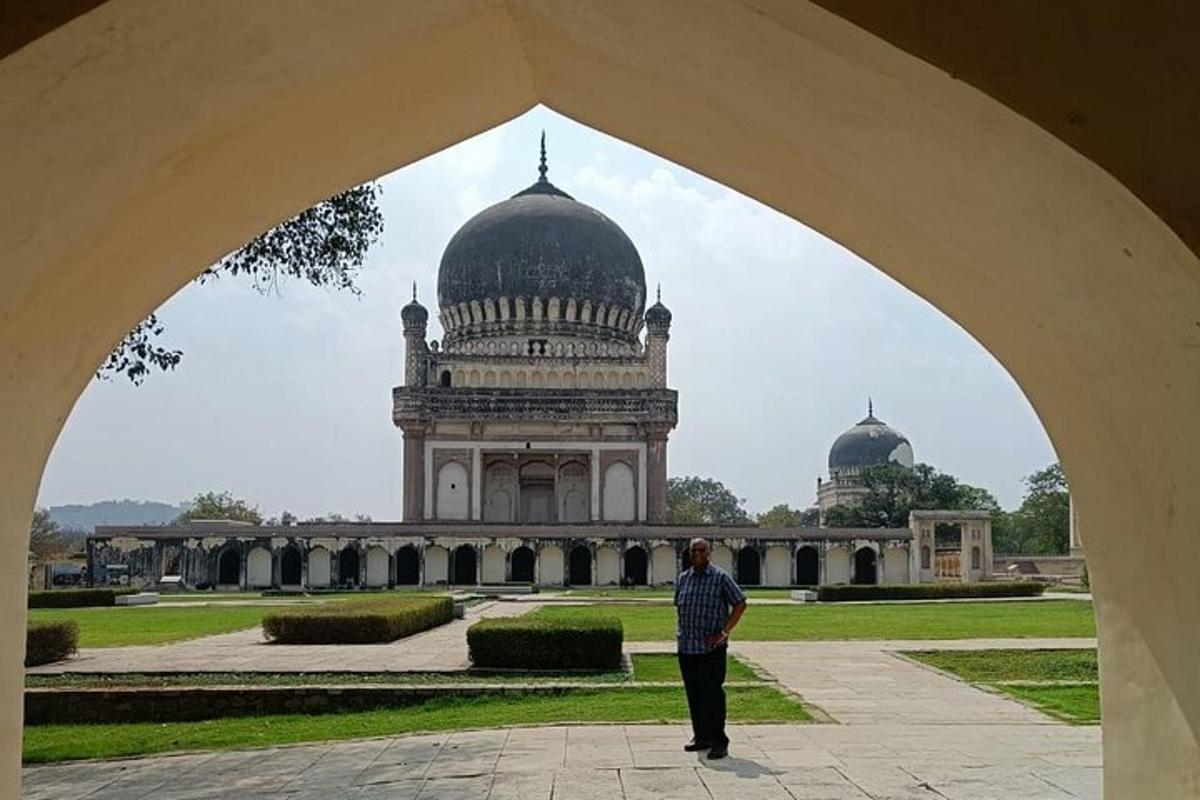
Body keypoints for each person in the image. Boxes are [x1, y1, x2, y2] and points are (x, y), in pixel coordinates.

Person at [674, 537, 747, 759]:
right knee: (694, 695)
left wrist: (724, 632)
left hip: (711, 649)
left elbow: (740, 603)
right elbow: (679, 606)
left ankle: (719, 741)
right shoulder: (683, 578)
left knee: (713, 696)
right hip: (687, 647)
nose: (697, 554)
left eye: (701, 550)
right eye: (693, 550)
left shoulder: (720, 577)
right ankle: (701, 736)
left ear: (709, 553)